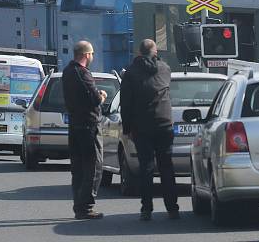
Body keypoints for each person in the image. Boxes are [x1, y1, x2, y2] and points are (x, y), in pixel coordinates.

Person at [120, 39, 179, 220]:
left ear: (139, 52)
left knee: (146, 167)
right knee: (166, 167)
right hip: (164, 124)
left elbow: (126, 104)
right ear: (155, 52)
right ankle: (172, 208)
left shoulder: (130, 73)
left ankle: (146, 209)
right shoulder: (165, 69)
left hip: (142, 127)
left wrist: (127, 128)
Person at [62, 40, 107, 220]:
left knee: (78, 168)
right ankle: (85, 206)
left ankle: (79, 204)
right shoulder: (82, 73)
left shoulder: (66, 72)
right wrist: (102, 95)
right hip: (88, 126)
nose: (92, 57)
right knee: (93, 166)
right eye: (92, 54)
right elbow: (94, 99)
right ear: (86, 55)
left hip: (74, 125)